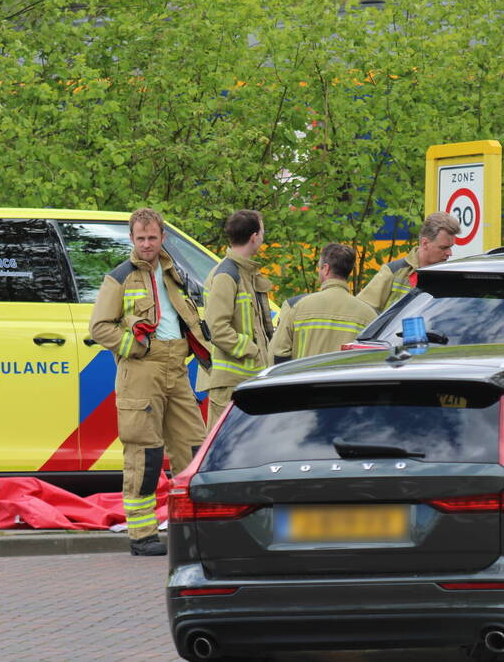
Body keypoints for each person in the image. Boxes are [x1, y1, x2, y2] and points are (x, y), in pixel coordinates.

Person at [89, 208, 211, 557]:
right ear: (131, 239)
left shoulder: (174, 273)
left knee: (192, 446)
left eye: (152, 238)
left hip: (176, 366)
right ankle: (141, 536)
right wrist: (136, 347)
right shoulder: (120, 277)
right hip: (142, 369)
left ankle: (193, 529)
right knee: (144, 451)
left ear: (162, 238)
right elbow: (100, 327)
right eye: (140, 238)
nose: (146, 244)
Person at [202, 209, 273, 429]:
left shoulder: (244, 273)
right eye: (262, 232)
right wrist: (252, 350)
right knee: (223, 452)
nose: (262, 237)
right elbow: (217, 328)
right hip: (230, 384)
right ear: (254, 237)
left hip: (245, 381)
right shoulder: (227, 274)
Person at [271, 243, 377, 362]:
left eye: (319, 267)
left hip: (303, 379)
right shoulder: (369, 315)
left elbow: (277, 353)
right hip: (347, 380)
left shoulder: (296, 306)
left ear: (326, 269)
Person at [356, 211, 461, 313]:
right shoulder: (393, 272)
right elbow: (362, 310)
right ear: (425, 243)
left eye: (450, 247)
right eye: (443, 248)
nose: (449, 253)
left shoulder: (449, 278)